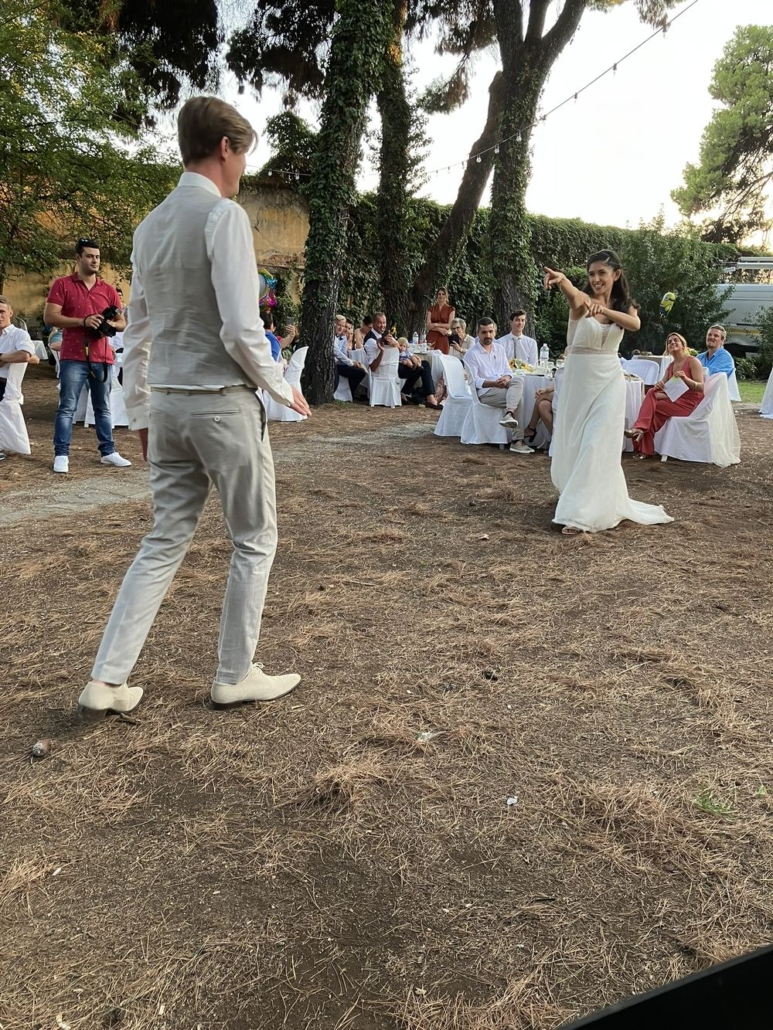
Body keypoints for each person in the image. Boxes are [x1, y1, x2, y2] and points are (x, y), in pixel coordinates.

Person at [75, 96, 311, 721]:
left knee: (164, 538)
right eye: (244, 156)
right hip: (222, 405)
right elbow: (239, 329)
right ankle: (235, 673)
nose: (243, 171)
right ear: (226, 148)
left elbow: (139, 332)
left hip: (171, 409)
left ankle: (107, 678)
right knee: (255, 538)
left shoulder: (148, 226)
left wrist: (142, 414)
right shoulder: (223, 217)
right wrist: (281, 382)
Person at [544, 250, 673, 534]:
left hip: (610, 379)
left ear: (616, 274)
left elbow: (634, 324)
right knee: (577, 441)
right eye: (591, 274)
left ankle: (579, 515)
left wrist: (604, 310)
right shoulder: (582, 302)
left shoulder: (627, 306)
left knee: (597, 441)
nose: (596, 279)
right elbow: (575, 296)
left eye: (602, 273)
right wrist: (564, 280)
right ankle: (578, 494)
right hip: (580, 379)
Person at [45, 238, 131, 474]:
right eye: (90, 256)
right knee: (67, 407)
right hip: (73, 355)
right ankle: (61, 454)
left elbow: (122, 322)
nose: (95, 260)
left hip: (102, 355)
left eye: (97, 257)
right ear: (78, 258)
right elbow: (50, 317)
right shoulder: (62, 285)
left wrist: (109, 323)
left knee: (103, 407)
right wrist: (82, 321)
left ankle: (108, 451)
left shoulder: (108, 289)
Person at [626, 333, 704, 457]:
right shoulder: (671, 366)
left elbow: (701, 387)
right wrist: (659, 385)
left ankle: (640, 432)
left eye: (676, 340)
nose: (672, 342)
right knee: (652, 395)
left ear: (683, 345)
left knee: (651, 409)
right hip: (673, 399)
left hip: (688, 404)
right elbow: (665, 386)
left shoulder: (692, 361)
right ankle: (642, 436)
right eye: (669, 342)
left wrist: (685, 379)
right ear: (667, 348)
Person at [462, 317, 533, 454]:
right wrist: (493, 383)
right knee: (519, 399)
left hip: (501, 383)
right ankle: (517, 440)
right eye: (484, 332)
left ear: (495, 332)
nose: (488, 335)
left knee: (519, 381)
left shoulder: (499, 349)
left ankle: (509, 414)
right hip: (486, 392)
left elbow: (508, 370)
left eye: (490, 332)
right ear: (478, 333)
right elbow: (474, 381)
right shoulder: (472, 354)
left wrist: (506, 378)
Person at [0, 295, 39, 402]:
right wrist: (9, 356)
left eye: (2, 312)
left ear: (10, 313)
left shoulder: (19, 334)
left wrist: (1, 357)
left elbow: (25, 355)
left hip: (4, 386)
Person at [397, 338, 443, 409]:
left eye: (404, 346)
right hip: (400, 366)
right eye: (400, 345)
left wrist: (416, 359)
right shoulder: (395, 350)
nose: (402, 347)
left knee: (424, 365)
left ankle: (405, 393)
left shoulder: (406, 352)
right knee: (420, 368)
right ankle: (430, 397)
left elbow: (411, 355)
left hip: (408, 364)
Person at [334, 314, 367, 401]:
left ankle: (349, 393)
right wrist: (351, 363)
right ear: (334, 324)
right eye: (339, 325)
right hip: (333, 364)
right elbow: (337, 353)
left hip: (341, 363)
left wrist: (353, 362)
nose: (341, 328)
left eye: (343, 326)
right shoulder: (331, 337)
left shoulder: (343, 337)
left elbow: (344, 354)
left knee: (361, 372)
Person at [425, 287, 455, 355]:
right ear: (437, 296)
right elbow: (428, 325)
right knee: (430, 357)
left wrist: (435, 324)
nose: (441, 296)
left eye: (443, 294)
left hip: (443, 336)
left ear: (446, 296)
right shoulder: (431, 308)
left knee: (442, 357)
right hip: (432, 336)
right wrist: (439, 329)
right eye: (439, 294)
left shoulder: (451, 309)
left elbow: (450, 325)